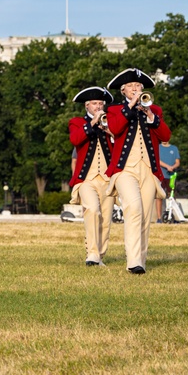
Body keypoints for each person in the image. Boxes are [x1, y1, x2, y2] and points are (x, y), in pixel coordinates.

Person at [104, 68, 172, 274]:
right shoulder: (115, 110)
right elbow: (115, 129)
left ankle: (140, 260)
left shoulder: (155, 109)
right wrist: (131, 107)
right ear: (123, 91)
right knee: (133, 208)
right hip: (125, 169)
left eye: (138, 86)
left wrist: (151, 116)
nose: (135, 89)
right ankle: (133, 262)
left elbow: (166, 136)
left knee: (144, 216)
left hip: (149, 170)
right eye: (131, 87)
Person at [67, 86, 114, 266]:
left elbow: (120, 143)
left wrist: (109, 129)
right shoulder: (77, 122)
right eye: (94, 103)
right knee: (92, 210)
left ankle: (100, 255)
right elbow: (76, 139)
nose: (98, 106)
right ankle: (92, 254)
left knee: (106, 219)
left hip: (107, 178)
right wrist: (93, 123)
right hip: (86, 178)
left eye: (101, 103)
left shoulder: (110, 122)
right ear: (87, 106)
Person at [157, 140, 180, 220]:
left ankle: (171, 216)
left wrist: (172, 167)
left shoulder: (174, 148)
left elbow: (177, 162)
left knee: (172, 196)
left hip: (171, 176)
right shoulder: (158, 147)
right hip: (160, 175)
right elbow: (157, 160)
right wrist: (167, 166)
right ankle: (159, 218)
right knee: (159, 196)